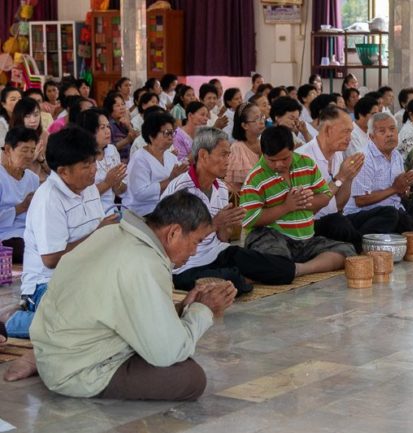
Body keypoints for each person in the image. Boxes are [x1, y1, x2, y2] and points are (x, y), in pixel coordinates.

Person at [21, 191, 237, 399]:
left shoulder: (112, 232)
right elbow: (168, 352)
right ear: (173, 233)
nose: (194, 252)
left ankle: (44, 361)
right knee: (190, 378)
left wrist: (183, 308)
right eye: (196, 242)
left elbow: (126, 309)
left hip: (55, 349)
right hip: (77, 369)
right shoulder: (144, 261)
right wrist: (203, 310)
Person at [4, 127, 117, 339]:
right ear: (63, 171)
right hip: (47, 283)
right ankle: (13, 322)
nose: (94, 169)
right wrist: (99, 234)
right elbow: (51, 259)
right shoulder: (48, 199)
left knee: (124, 304)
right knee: (80, 323)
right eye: (86, 165)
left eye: (94, 162)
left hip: (84, 276)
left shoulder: (88, 187)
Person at [163, 127, 300, 294]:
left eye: (229, 155)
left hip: (217, 253)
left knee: (282, 269)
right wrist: (215, 223)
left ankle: (242, 276)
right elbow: (175, 242)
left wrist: (227, 226)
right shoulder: (182, 190)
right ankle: (239, 277)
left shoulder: (220, 187)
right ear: (204, 155)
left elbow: (223, 239)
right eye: (223, 155)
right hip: (186, 264)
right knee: (231, 280)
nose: (228, 160)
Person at [240, 125, 355, 274]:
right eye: (272, 160)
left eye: (284, 158)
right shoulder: (255, 177)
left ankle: (298, 269)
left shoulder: (306, 163)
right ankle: (285, 266)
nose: (278, 165)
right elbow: (248, 220)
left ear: (293, 149)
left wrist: (304, 202)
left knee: (347, 251)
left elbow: (325, 196)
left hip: (304, 240)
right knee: (274, 257)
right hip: (272, 238)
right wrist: (286, 206)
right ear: (263, 153)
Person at [295, 105, 398, 251]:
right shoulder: (303, 158)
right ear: (328, 130)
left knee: (388, 212)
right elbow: (308, 209)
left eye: (351, 132)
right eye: (346, 132)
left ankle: (358, 243)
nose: (349, 138)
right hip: (311, 225)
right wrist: (340, 177)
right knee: (338, 222)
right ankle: (362, 245)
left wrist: (349, 177)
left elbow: (339, 205)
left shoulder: (337, 153)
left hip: (336, 218)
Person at [344, 112, 413, 235]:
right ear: (371, 137)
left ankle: (409, 227)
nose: (389, 134)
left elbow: (400, 195)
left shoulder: (396, 155)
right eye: (382, 131)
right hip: (366, 213)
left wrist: (404, 189)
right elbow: (361, 201)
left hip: (395, 206)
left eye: (392, 129)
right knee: (391, 214)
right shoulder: (364, 158)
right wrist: (394, 188)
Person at [122, 112, 188, 216]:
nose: (171, 137)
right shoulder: (139, 159)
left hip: (167, 208)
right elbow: (140, 194)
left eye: (172, 133)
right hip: (143, 213)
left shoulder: (171, 157)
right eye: (167, 133)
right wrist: (170, 179)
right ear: (152, 136)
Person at [0, 127, 40, 263]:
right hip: (6, 235)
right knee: (23, 248)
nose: (29, 155)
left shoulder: (33, 178)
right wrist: (21, 208)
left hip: (30, 233)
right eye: (24, 150)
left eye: (32, 150)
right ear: (8, 150)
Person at [76, 108, 128, 212]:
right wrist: (108, 182)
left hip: (112, 210)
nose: (108, 131)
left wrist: (118, 183)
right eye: (102, 127)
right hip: (90, 214)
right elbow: (82, 196)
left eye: (108, 126)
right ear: (89, 132)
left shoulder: (111, 150)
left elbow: (120, 190)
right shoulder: (80, 157)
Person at [226, 102, 265, 192]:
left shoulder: (264, 143)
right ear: (244, 125)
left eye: (262, 117)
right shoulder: (237, 148)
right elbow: (241, 184)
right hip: (243, 198)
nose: (262, 121)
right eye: (257, 119)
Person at [9, 97, 50, 182]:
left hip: (41, 185)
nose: (33, 120)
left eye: (36, 115)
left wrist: (41, 160)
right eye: (27, 116)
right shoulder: (11, 138)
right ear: (19, 117)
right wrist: (32, 157)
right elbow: (11, 173)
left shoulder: (44, 135)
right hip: (19, 186)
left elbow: (52, 171)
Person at [104, 92, 139, 160]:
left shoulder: (125, 122)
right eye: (117, 105)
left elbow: (137, 140)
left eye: (123, 104)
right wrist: (127, 140)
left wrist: (128, 126)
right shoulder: (108, 125)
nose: (122, 108)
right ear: (110, 108)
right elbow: (107, 148)